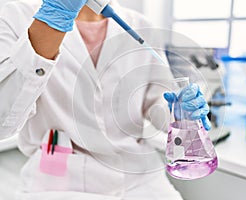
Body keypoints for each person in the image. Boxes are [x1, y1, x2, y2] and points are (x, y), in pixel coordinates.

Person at [0, 0, 211, 199]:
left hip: (139, 177)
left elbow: (156, 99)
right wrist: (51, 21)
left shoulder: (141, 25)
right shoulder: (15, 17)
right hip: (59, 180)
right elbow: (3, 121)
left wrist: (176, 113)